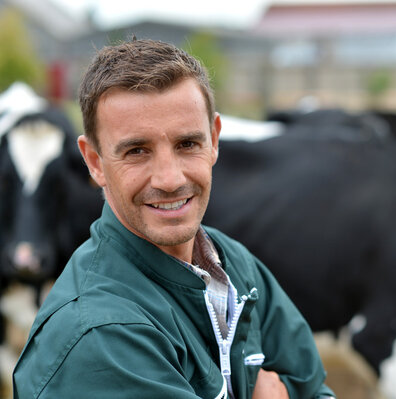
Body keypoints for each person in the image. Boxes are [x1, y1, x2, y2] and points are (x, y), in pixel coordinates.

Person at [12, 39, 335, 399]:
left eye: (187, 144)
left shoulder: (236, 266)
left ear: (214, 140)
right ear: (94, 162)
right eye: (137, 151)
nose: (170, 179)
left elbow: (315, 389)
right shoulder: (100, 335)